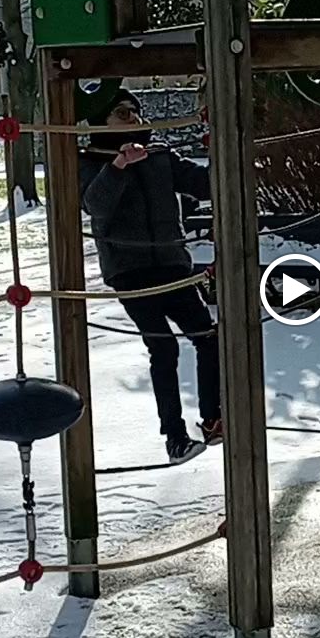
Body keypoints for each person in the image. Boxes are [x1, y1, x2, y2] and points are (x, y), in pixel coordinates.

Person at [80, 92, 221, 465]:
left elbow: (203, 184)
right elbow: (94, 205)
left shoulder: (159, 155)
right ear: (102, 121)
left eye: (136, 111)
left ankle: (213, 418)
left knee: (208, 337)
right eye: (122, 111)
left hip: (172, 264)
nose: (133, 117)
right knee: (163, 347)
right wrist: (118, 166)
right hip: (130, 271)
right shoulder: (90, 161)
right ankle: (175, 438)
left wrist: (230, 155)